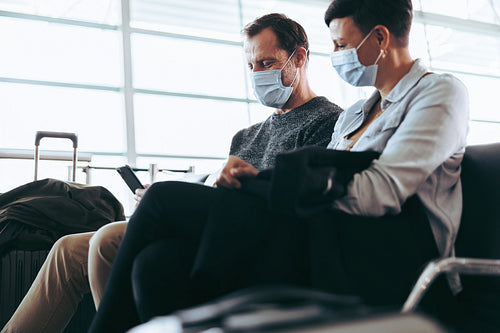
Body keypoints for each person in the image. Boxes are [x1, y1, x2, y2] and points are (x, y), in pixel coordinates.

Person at [87, 0, 469, 332]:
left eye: (341, 44)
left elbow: (380, 194)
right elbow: (323, 179)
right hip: (321, 235)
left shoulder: (439, 93)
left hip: (379, 254)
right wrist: (271, 181)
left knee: (161, 198)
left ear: (381, 39)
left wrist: (278, 182)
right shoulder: (357, 112)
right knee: (157, 265)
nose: (336, 54)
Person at [0, 14, 341, 333]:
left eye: (266, 63)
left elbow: (302, 196)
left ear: (298, 58)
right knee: (67, 248)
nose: (257, 73)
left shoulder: (326, 121)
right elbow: (220, 194)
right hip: (214, 221)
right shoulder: (246, 135)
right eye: (251, 65)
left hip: (249, 233)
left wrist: (251, 179)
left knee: (106, 241)